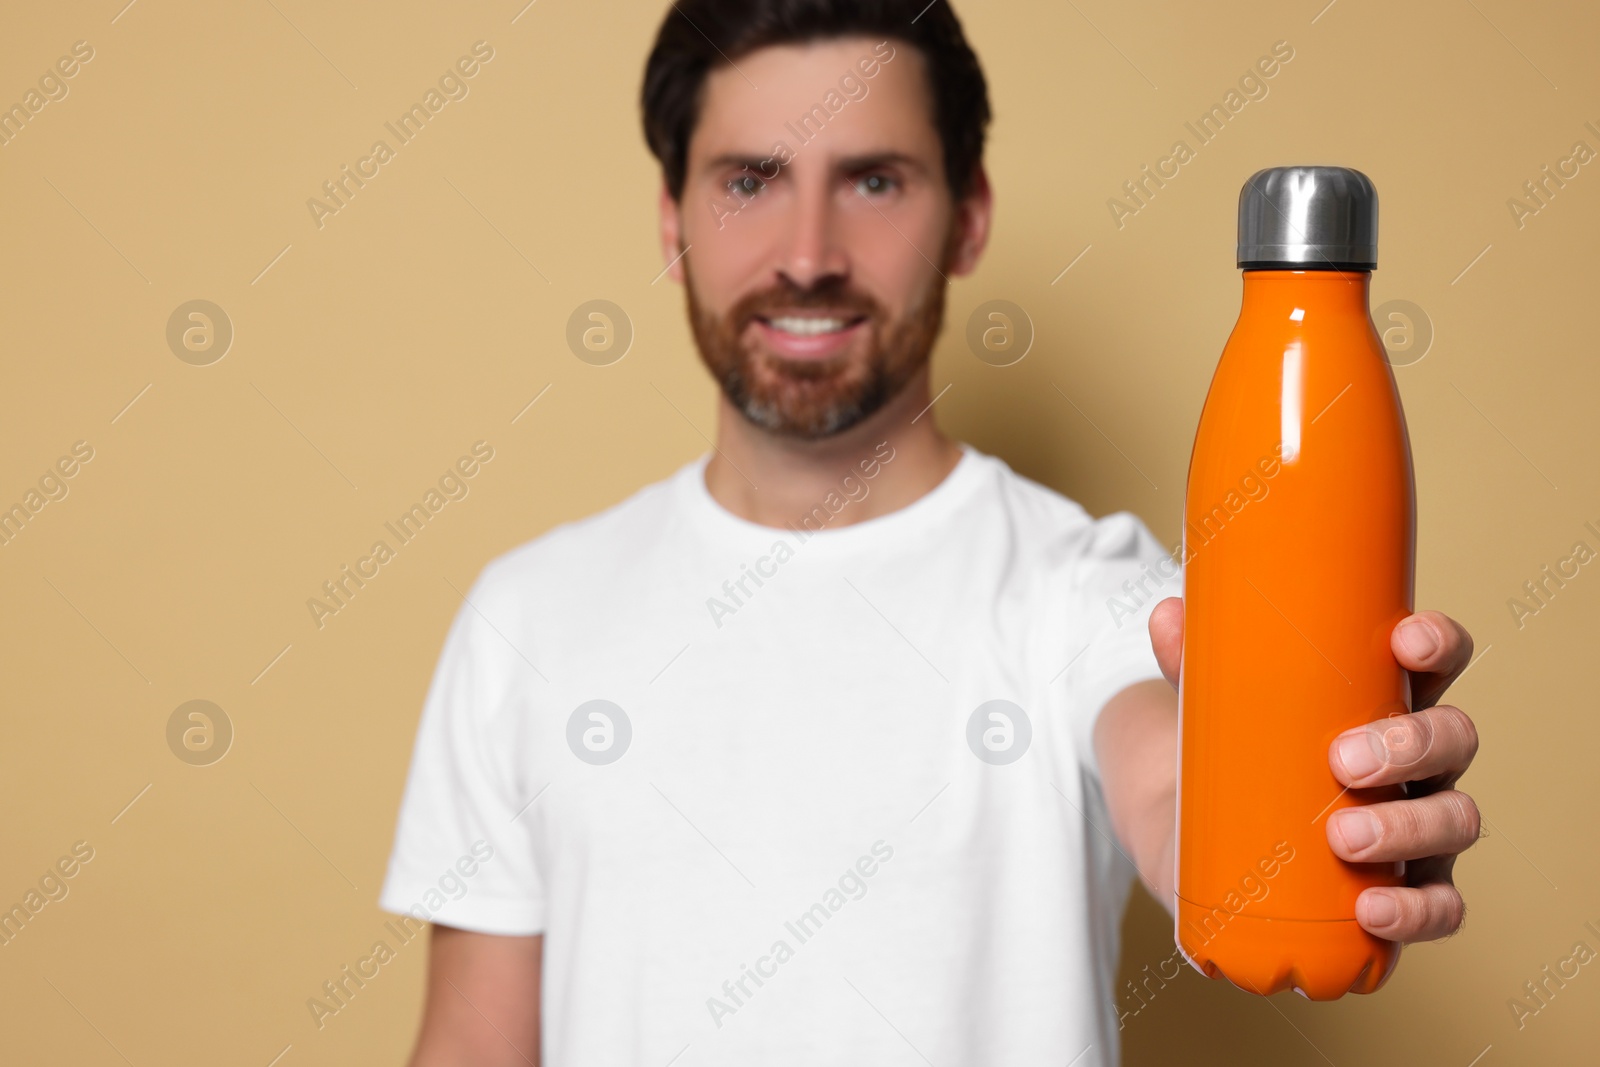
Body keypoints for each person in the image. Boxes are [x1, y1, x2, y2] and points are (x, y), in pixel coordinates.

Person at [379, 2, 1482, 1063]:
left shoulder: (1084, 592)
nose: (806, 252)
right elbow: (474, 1046)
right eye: (749, 180)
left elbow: (1174, 790)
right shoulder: (527, 616)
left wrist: (1321, 808)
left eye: (872, 179)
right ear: (672, 219)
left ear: (967, 216)